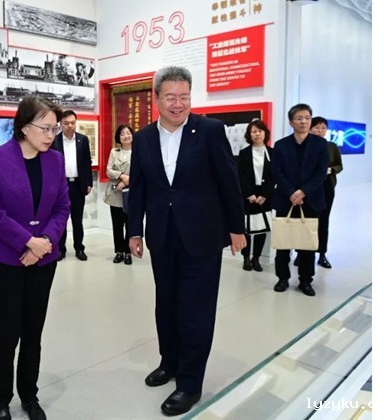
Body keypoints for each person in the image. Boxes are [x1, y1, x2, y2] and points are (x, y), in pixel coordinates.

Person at [127, 66, 246, 416]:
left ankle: (190, 384)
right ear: (156, 98)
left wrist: (236, 227)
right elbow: (139, 187)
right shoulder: (144, 138)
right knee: (166, 304)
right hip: (162, 236)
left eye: (184, 97)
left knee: (196, 311)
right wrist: (134, 230)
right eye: (170, 97)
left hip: (202, 235)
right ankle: (170, 362)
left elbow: (228, 181)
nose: (178, 104)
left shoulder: (209, 130)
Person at [0, 95, 70, 420]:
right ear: (24, 126)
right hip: (7, 259)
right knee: (7, 331)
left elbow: (62, 207)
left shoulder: (55, 160)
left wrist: (44, 242)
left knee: (33, 330)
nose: (50, 135)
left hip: (43, 260)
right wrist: (27, 243)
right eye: (45, 128)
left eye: (54, 129)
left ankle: (29, 395)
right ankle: (1, 398)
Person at [272, 104, 329, 296]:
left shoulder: (321, 145)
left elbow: (321, 173)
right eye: (299, 118)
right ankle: (282, 278)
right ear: (291, 122)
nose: (303, 121)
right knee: (283, 241)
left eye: (307, 118)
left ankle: (305, 280)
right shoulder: (281, 145)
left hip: (311, 199)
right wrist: (292, 192)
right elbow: (277, 172)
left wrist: (303, 192)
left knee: (307, 243)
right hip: (285, 199)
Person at [52, 110, 92, 261]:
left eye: (72, 123)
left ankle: (79, 248)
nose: (70, 126)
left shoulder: (83, 140)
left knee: (77, 220)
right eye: (66, 123)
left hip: (78, 186)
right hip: (60, 187)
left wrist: (89, 182)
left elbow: (87, 162)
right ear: (60, 124)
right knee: (61, 219)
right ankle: (60, 249)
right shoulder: (54, 141)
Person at [237, 120, 274, 272]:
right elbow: (241, 176)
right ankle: (246, 257)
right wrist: (249, 194)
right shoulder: (244, 153)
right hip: (248, 196)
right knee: (247, 228)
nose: (257, 134)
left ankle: (256, 258)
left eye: (260, 131)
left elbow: (274, 176)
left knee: (261, 228)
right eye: (254, 131)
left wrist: (264, 195)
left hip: (265, 195)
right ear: (249, 134)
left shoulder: (272, 153)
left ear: (265, 133)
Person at [310, 116, 343, 268]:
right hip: (308, 188)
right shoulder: (305, 146)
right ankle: (302, 252)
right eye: (317, 127)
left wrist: (331, 170)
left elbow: (339, 165)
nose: (320, 130)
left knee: (323, 220)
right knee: (307, 220)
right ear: (310, 128)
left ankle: (322, 253)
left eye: (323, 128)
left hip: (326, 186)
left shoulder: (331, 146)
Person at [103, 124, 135, 265]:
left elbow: (141, 172)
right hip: (115, 194)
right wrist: (122, 176)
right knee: (117, 225)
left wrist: (125, 182)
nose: (126, 136)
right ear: (118, 137)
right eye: (122, 134)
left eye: (128, 133)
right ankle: (119, 251)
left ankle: (128, 252)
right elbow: (109, 170)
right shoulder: (114, 152)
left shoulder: (138, 151)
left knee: (130, 225)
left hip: (131, 194)